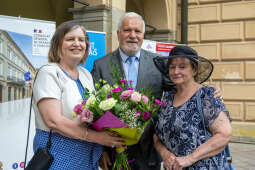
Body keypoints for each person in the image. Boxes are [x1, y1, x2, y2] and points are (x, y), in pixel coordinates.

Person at [31, 21, 125, 170]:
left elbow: (94, 114)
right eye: (70, 39)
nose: (77, 44)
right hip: (58, 156)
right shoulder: (49, 73)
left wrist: (100, 148)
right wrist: (99, 138)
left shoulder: (86, 74)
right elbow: (54, 121)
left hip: (86, 157)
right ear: (58, 44)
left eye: (81, 40)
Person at [91, 12, 164, 170]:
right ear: (118, 34)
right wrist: (101, 150)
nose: (133, 35)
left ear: (143, 35)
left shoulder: (158, 63)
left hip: (149, 152)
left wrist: (206, 92)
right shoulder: (101, 65)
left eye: (137, 31)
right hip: (113, 153)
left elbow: (179, 89)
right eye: (127, 30)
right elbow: (94, 111)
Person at [153, 45, 232, 169]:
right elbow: (157, 135)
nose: (176, 71)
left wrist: (189, 158)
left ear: (194, 70)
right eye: (172, 67)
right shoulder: (167, 98)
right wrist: (164, 153)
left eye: (182, 67)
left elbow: (224, 134)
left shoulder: (206, 96)